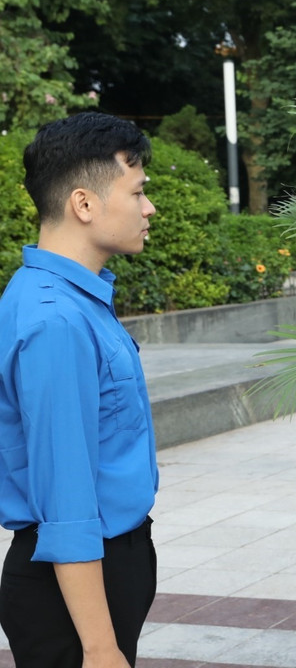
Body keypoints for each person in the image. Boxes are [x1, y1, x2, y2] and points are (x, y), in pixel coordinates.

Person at [0, 112, 159, 667]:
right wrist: (99, 647)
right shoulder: (55, 320)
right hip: (73, 586)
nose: (148, 209)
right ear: (84, 204)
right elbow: (65, 499)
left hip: (105, 566)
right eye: (137, 193)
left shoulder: (75, 302)